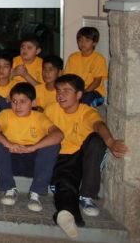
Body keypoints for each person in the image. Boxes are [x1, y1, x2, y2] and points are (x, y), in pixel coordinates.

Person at [44, 74, 128, 238]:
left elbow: (98, 125)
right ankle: (66, 214)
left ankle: (87, 195)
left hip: (82, 156)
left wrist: (111, 142)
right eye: (59, 91)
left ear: (79, 95)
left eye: (67, 91)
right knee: (65, 184)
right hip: (61, 156)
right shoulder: (51, 110)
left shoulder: (87, 112)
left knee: (96, 140)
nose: (61, 95)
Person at [0, 82, 62, 212]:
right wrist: (8, 143)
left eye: (22, 101)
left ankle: (35, 193)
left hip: (33, 161)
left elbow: (58, 134)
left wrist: (33, 147)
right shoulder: (6, 114)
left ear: (32, 103)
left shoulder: (39, 117)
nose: (17, 106)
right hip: (10, 159)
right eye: (14, 101)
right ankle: (10, 188)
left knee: (53, 145)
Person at [64, 26, 108, 106]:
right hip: (76, 90)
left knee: (85, 100)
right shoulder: (73, 57)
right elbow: (68, 77)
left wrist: (84, 91)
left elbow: (97, 82)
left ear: (94, 43)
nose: (82, 43)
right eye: (80, 40)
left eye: (87, 40)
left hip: (93, 92)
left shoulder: (98, 58)